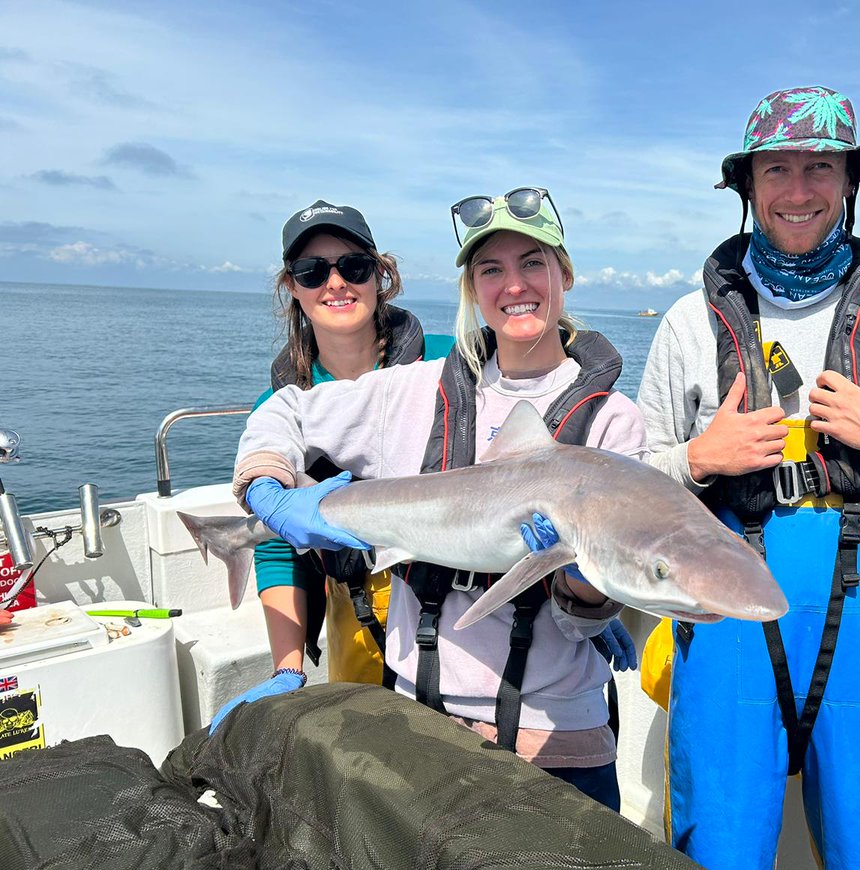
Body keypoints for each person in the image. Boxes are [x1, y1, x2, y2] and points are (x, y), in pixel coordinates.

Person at [636, 86, 860, 870]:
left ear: (850, 183)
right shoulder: (691, 325)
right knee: (711, 860)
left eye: (819, 167)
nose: (798, 190)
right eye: (778, 168)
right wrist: (698, 459)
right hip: (722, 614)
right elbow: (636, 494)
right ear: (749, 186)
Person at [229, 188, 645, 811]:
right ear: (473, 290)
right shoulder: (411, 391)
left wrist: (592, 590)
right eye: (490, 270)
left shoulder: (614, 422)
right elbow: (285, 408)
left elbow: (578, 616)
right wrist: (266, 483)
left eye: (533, 262)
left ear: (565, 273)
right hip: (417, 713)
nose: (514, 285)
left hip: (555, 727)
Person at [210, 201, 444, 732]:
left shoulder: (447, 364)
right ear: (292, 287)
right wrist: (288, 668)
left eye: (354, 267)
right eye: (313, 272)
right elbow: (277, 544)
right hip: (353, 609)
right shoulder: (280, 407)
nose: (335, 283)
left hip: (454, 604)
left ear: (381, 276)